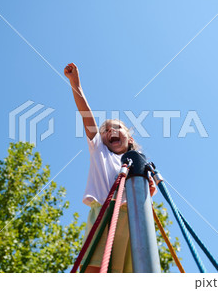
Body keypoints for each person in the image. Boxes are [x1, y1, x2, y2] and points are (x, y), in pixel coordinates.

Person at [64, 63, 153, 273]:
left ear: (130, 138)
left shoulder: (139, 163)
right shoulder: (100, 153)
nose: (110, 130)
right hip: (105, 214)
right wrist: (76, 84)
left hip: (134, 224)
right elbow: (87, 118)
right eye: (105, 130)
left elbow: (148, 193)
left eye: (117, 127)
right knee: (95, 270)